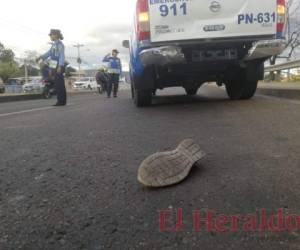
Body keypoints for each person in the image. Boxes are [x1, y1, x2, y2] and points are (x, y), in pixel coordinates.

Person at [37, 29, 66, 106]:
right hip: (54, 64)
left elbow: (61, 56)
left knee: (59, 84)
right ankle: (60, 100)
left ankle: (61, 101)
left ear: (55, 35)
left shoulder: (59, 44)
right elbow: (49, 53)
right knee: (57, 83)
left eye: (51, 35)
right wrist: (41, 57)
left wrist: (60, 66)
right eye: (50, 35)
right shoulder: (54, 45)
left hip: (58, 65)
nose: (50, 36)